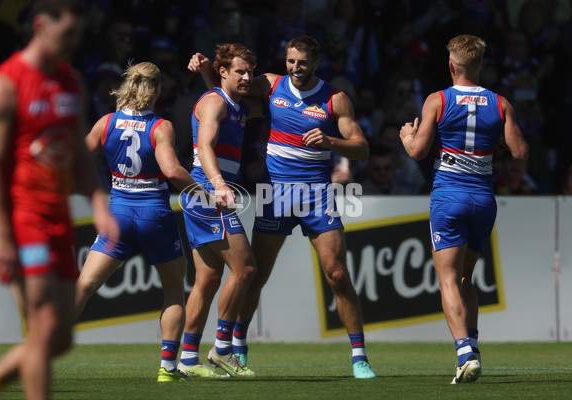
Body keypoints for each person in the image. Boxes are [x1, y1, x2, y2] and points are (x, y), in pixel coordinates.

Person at [188, 35, 376, 379]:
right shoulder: (271, 84)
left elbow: (362, 148)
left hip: (317, 195)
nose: (295, 68)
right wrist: (205, 72)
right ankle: (238, 347)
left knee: (337, 275)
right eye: (290, 61)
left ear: (316, 63)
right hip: (276, 193)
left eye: (302, 62)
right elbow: (228, 93)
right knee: (255, 275)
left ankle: (359, 355)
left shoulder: (335, 99)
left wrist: (331, 140)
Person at [0, 1, 119, 399]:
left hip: (58, 220)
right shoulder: (5, 85)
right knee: (43, 325)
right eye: (67, 34)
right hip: (21, 219)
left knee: (59, 338)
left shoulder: (70, 82)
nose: (74, 43)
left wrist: (99, 204)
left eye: (78, 36)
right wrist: (1, 233)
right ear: (40, 25)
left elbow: (78, 154)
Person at [73, 61, 215, 383]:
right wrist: (204, 193)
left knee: (85, 286)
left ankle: (41, 348)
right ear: (157, 89)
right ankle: (167, 368)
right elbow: (172, 171)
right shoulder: (160, 126)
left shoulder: (106, 122)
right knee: (174, 291)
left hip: (118, 215)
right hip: (155, 215)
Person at [398, 34, 528, 384]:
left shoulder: (437, 100)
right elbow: (519, 153)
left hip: (449, 197)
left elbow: (417, 152)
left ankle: (464, 354)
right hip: (483, 200)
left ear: (452, 65)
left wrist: (406, 135)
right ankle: (473, 344)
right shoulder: (501, 104)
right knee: (466, 277)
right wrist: (494, 142)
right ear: (481, 66)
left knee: (448, 279)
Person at [178, 43, 259, 379]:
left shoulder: (228, 102)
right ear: (224, 72)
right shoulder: (214, 102)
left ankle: (186, 358)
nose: (247, 77)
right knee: (246, 268)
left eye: (250, 72)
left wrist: (208, 70)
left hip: (204, 195)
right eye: (240, 71)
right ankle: (222, 349)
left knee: (208, 279)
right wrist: (218, 184)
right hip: (209, 194)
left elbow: (218, 88)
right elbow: (205, 146)